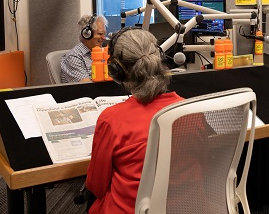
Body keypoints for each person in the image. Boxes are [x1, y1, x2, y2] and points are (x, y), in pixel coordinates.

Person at [85, 27, 207, 214]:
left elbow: (97, 186)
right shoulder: (192, 111)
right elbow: (203, 159)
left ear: (117, 71)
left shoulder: (111, 120)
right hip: (188, 208)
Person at [60, 14, 108, 83]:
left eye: (104, 34)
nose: (104, 38)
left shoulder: (101, 53)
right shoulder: (73, 57)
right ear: (87, 34)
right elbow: (87, 88)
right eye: (100, 34)